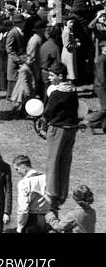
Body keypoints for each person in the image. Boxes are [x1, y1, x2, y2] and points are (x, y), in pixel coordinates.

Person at [43, 62, 80, 212]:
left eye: (52, 75)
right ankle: (62, 195)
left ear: (60, 76)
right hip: (71, 130)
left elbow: (48, 112)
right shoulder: (73, 90)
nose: (49, 78)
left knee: (53, 162)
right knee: (65, 162)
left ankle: (51, 194)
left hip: (57, 130)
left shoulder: (56, 93)